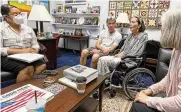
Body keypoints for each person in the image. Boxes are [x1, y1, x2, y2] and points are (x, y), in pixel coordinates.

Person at [130, 9, 181, 112]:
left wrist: (149, 100)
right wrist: (150, 90)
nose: (161, 30)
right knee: (138, 101)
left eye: (163, 26)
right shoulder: (176, 50)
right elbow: (169, 78)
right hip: (171, 97)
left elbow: (179, 104)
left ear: (174, 28)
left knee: (137, 106)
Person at [1, 4, 46, 82]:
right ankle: (22, 90)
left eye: (20, 14)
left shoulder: (28, 29)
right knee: (28, 68)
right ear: (6, 17)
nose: (19, 16)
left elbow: (35, 44)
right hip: (7, 57)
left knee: (42, 65)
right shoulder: (1, 29)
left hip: (28, 56)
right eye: (15, 14)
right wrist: (22, 51)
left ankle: (33, 85)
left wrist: (35, 50)